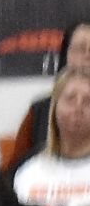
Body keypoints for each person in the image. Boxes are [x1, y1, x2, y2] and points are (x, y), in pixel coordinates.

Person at [10, 20, 90, 168]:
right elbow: (16, 168)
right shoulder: (39, 111)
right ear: (65, 55)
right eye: (80, 49)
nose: (87, 56)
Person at [12, 67, 90, 206]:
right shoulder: (27, 170)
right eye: (70, 99)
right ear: (54, 107)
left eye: (88, 101)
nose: (78, 107)